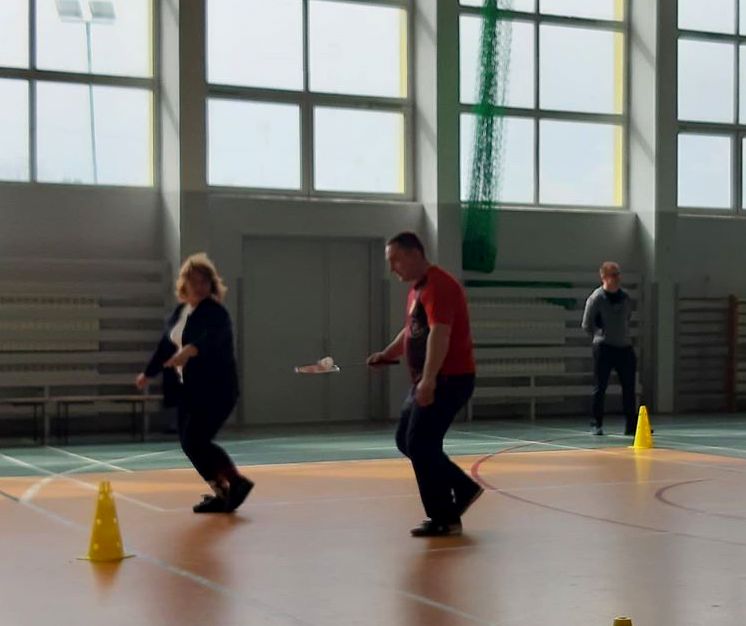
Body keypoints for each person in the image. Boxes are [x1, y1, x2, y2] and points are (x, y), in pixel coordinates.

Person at [368, 232, 482, 537]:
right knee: (407, 441)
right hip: (430, 379)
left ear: (415, 254)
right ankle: (462, 486)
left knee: (420, 443)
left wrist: (429, 380)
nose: (392, 268)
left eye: (396, 260)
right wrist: (386, 354)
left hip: (448, 379)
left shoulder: (439, 285)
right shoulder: (417, 290)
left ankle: (444, 517)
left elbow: (439, 334)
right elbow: (411, 332)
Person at [135, 253, 253, 513]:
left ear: (211, 284)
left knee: (196, 439)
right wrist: (148, 373)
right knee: (189, 444)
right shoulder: (180, 312)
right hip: (188, 391)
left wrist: (190, 350)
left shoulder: (216, 313)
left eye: (204, 282)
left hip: (216, 390)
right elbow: (165, 346)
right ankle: (222, 492)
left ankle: (236, 482)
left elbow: (211, 339)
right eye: (194, 282)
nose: (199, 287)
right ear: (184, 284)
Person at [581, 261, 638, 436]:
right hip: (604, 348)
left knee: (629, 387)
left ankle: (632, 425)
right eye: (613, 275)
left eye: (618, 274)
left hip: (624, 347)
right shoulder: (596, 298)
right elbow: (587, 324)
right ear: (604, 277)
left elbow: (627, 318)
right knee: (600, 387)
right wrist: (600, 336)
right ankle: (596, 423)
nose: (617, 278)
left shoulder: (625, 297)